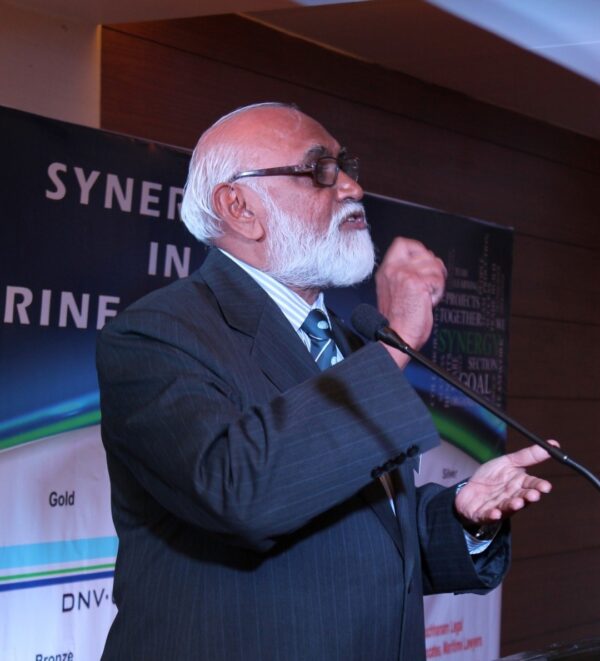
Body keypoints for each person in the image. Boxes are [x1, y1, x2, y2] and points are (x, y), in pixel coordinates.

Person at [96, 102, 553, 660]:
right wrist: (397, 343)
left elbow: (363, 531)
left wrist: (460, 516)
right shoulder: (156, 334)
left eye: (347, 166)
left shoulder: (348, 340)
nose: (353, 188)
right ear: (239, 207)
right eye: (320, 170)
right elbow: (240, 493)